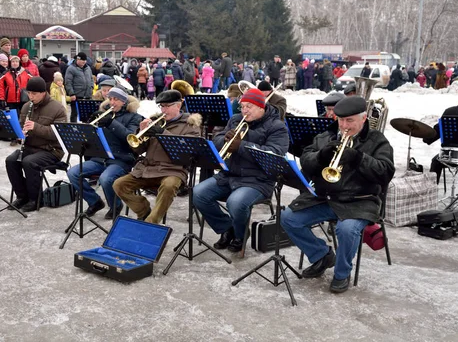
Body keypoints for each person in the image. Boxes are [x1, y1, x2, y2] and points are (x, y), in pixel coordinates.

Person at [280, 96, 395, 293]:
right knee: (287, 218)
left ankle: (342, 273)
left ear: (364, 118)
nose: (344, 125)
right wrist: (321, 156)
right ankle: (322, 255)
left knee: (347, 229)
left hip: (359, 200)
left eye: (349, 121)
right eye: (341, 120)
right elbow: (306, 164)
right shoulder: (326, 137)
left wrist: (359, 158)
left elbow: (385, 173)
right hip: (325, 197)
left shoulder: (377, 141)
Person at [193, 88, 289, 253]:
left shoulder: (277, 126)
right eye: (242, 106)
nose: (244, 110)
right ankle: (226, 228)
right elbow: (215, 143)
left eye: (249, 107)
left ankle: (240, 235)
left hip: (258, 181)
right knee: (198, 193)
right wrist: (224, 139)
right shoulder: (236, 119)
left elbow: (275, 155)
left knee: (235, 203)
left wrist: (242, 146)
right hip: (229, 175)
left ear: (261, 107)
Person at [113, 89, 201, 224]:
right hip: (148, 168)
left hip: (173, 170)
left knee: (169, 186)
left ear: (178, 105)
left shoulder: (190, 125)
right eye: (161, 106)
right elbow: (138, 149)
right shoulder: (155, 121)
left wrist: (162, 133)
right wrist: (141, 132)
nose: (163, 110)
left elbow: (187, 152)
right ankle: (144, 211)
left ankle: (151, 222)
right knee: (119, 185)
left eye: (167, 106)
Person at [68, 88, 143, 220]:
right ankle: (94, 202)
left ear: (124, 102)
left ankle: (115, 205)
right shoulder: (104, 113)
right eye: (110, 98)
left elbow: (129, 138)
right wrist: (89, 126)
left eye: (116, 99)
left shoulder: (134, 117)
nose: (112, 102)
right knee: (73, 173)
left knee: (105, 178)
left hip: (121, 159)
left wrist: (111, 123)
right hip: (100, 157)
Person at [6, 77, 67, 212]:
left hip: (51, 150)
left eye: (34, 94)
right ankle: (22, 196)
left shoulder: (58, 109)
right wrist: (20, 135)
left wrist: (35, 127)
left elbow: (59, 134)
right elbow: (21, 126)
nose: (30, 96)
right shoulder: (27, 106)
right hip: (30, 147)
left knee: (29, 162)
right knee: (11, 160)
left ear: (43, 92)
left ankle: (36, 199)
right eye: (29, 93)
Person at [65, 52, 94, 123]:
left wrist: (91, 87)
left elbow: (91, 79)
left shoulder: (88, 68)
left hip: (87, 96)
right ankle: (73, 127)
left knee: (87, 115)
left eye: (85, 60)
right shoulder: (71, 69)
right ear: (78, 59)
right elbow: (68, 82)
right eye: (82, 60)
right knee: (75, 114)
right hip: (77, 96)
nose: (84, 62)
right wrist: (71, 93)